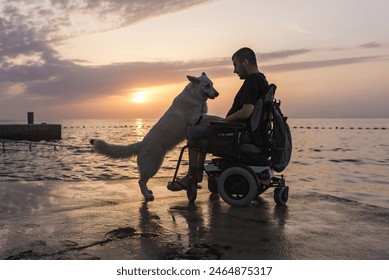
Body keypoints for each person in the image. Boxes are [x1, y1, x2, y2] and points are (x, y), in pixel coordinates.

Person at [168, 47, 269, 191]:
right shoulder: (262, 80)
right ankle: (195, 176)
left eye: (236, 65)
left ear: (245, 62)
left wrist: (224, 122)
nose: (235, 71)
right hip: (243, 131)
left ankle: (192, 177)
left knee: (192, 132)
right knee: (201, 135)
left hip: (237, 133)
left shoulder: (252, 81)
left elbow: (246, 112)